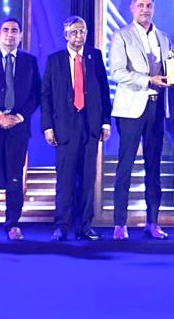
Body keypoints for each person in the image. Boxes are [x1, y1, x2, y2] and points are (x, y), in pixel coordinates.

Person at [109, 0, 174, 240]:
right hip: (131, 109)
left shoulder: (164, 37)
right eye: (141, 5)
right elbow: (117, 72)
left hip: (157, 107)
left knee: (154, 166)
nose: (145, 10)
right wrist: (148, 80)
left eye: (149, 5)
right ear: (132, 8)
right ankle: (120, 223)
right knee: (125, 166)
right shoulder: (121, 36)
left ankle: (152, 222)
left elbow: (170, 65)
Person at [41, 16, 111, 241]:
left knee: (88, 179)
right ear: (66, 35)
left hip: (90, 125)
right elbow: (46, 96)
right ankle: (62, 225)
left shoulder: (95, 56)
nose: (79, 36)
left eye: (82, 31)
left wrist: (105, 122)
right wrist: (48, 126)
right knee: (66, 178)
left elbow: (104, 90)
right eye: (74, 32)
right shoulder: (55, 60)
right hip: (65, 127)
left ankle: (85, 226)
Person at [0, 17, 41, 241]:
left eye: (14, 30)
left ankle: (13, 224)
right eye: (6, 30)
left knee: (14, 178)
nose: (10, 34)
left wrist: (19, 117)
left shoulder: (29, 61)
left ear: (20, 35)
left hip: (18, 129)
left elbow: (36, 94)